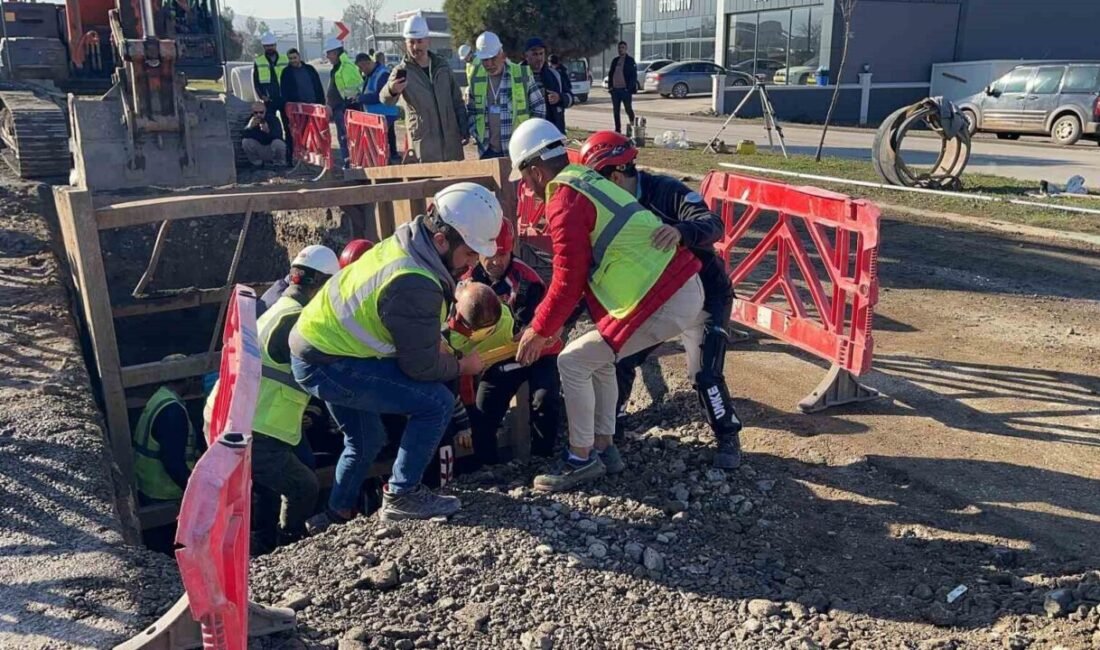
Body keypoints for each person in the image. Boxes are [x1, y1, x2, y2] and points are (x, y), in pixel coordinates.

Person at [509, 119, 705, 492]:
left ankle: (580, 459)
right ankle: (605, 446)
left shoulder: (563, 200)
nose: (526, 188)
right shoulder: (585, 179)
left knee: (572, 361)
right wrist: (552, 324)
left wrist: (539, 329)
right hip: (673, 288)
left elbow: (568, 280)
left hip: (663, 294)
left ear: (534, 170)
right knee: (598, 358)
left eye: (524, 179)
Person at [290, 182, 501, 524]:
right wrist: (462, 364)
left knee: (367, 439)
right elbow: (421, 368)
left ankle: (336, 513)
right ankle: (403, 495)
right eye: (468, 254)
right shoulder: (415, 281)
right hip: (327, 362)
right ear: (442, 240)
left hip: (322, 347)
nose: (471, 264)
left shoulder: (408, 242)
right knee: (436, 403)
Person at [580, 131, 743, 469]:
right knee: (620, 357)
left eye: (600, 184)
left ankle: (728, 436)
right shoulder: (609, 209)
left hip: (706, 294)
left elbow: (714, 224)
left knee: (706, 374)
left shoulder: (664, 191)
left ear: (615, 175)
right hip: (659, 298)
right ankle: (611, 426)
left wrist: (682, 232)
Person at [251, 244, 339, 545]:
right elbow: (325, 370)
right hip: (259, 427)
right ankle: (290, 542)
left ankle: (269, 543)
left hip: (256, 422)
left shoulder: (277, 309)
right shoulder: (297, 321)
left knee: (271, 488)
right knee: (304, 486)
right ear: (322, 284)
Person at [462, 219, 561, 464]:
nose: (495, 261)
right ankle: (487, 467)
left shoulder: (527, 280)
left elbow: (525, 332)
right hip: (498, 357)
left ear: (511, 250)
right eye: (489, 255)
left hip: (538, 351)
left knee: (545, 397)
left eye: (502, 254)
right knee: (483, 409)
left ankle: (543, 459)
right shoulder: (468, 280)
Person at [380, 13, 467, 163]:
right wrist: (392, 90)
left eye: (419, 41)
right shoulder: (402, 71)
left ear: (427, 41)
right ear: (406, 43)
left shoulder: (443, 67)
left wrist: (463, 127)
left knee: (454, 185)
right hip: (424, 149)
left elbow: (457, 100)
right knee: (428, 185)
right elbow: (384, 98)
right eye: (411, 42)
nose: (416, 47)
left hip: (451, 146)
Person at [466, 31, 545, 160]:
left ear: (502, 55)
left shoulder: (521, 75)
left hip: (519, 150)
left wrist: (530, 137)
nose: (489, 64)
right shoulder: (476, 79)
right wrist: (476, 134)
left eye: (493, 58)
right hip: (487, 150)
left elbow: (539, 107)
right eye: (485, 60)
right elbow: (471, 111)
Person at [132, 359, 202, 503]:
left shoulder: (158, 398)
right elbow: (173, 462)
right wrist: (196, 492)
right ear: (187, 379)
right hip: (166, 492)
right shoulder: (173, 411)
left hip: (147, 486)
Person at [324, 37, 364, 168]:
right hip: (340, 109)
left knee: (348, 138)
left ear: (335, 53)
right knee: (344, 138)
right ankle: (348, 163)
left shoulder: (346, 67)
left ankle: (352, 163)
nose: (327, 56)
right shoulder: (338, 67)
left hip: (346, 109)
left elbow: (351, 92)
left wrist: (334, 104)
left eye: (328, 53)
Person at [357, 52, 401, 164]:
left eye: (362, 67)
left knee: (383, 141)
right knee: (387, 139)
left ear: (367, 63)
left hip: (385, 113)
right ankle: (390, 158)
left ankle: (387, 162)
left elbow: (380, 96)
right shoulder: (372, 74)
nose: (362, 71)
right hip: (379, 115)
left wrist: (361, 98)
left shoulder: (382, 74)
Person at [523, 38, 573, 134]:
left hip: (553, 134)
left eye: (541, 53)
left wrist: (560, 98)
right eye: (535, 54)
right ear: (526, 56)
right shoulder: (517, 75)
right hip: (526, 134)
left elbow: (571, 98)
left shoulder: (555, 75)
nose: (539, 58)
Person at [253, 33, 288, 145]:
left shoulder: (284, 59)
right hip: (269, 100)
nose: (270, 48)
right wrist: (262, 96)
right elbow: (256, 82)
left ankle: (288, 152)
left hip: (284, 98)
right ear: (264, 47)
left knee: (288, 127)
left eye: (272, 45)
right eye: (267, 46)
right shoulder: (259, 61)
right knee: (272, 127)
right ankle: (274, 148)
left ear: (276, 45)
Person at [241, 102, 287, 169]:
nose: (258, 115)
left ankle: (279, 164)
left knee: (278, 143)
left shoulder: (273, 119)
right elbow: (243, 136)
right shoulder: (250, 120)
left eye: (261, 112)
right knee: (245, 142)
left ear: (265, 111)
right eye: (256, 113)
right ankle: (257, 164)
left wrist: (268, 131)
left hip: (271, 148)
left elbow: (279, 136)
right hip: (259, 149)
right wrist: (249, 127)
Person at [607, 41, 637, 134]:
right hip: (615, 90)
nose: (621, 49)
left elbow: (633, 76)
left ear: (626, 49)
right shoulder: (615, 60)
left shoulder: (630, 61)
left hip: (625, 90)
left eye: (623, 48)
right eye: (619, 48)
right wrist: (610, 87)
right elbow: (610, 74)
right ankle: (617, 130)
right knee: (616, 111)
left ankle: (633, 127)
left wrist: (629, 88)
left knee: (628, 109)